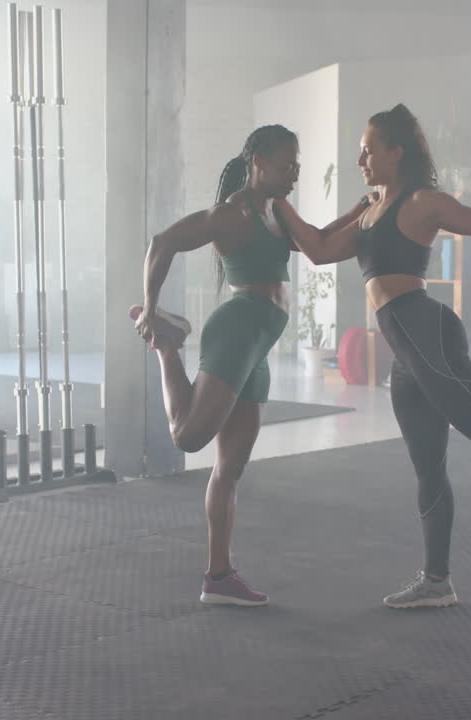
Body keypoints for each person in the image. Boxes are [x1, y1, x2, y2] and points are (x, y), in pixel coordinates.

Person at [273, 103, 471, 609]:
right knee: (429, 464)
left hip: (422, 328)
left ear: (396, 152)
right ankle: (437, 582)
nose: (360, 159)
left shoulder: (422, 201)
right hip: (403, 347)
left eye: (368, 151)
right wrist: (278, 202)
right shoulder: (370, 210)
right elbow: (317, 248)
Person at [129, 124, 371, 607]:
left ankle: (218, 577)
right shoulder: (232, 214)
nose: (294, 173)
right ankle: (168, 347)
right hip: (237, 332)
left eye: (297, 164)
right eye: (287, 164)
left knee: (231, 467)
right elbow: (162, 243)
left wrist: (360, 211)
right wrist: (151, 309)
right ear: (258, 160)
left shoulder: (276, 209)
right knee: (188, 437)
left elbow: (319, 243)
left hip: (258, 344)